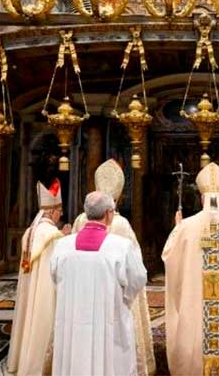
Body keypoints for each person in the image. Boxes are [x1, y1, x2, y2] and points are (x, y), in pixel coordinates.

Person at [162, 162, 219, 376]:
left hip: (194, 304)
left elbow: (169, 256)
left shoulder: (186, 227)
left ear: (202, 198)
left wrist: (176, 229)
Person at [71, 159, 155, 376]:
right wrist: (129, 296)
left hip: (83, 291)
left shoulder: (81, 220)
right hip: (114, 293)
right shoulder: (121, 224)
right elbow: (136, 269)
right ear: (115, 201)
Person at [50, 191, 147, 376]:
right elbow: (138, 278)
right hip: (110, 321)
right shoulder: (121, 247)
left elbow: (55, 277)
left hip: (73, 320)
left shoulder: (63, 245)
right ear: (109, 214)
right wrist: (125, 299)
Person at [6, 179, 67, 376]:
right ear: (51, 211)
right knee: (42, 320)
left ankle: (23, 360)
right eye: (59, 210)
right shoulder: (52, 235)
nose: (61, 214)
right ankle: (38, 366)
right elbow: (58, 266)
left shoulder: (30, 231)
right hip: (44, 291)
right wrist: (66, 237)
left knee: (28, 320)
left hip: (30, 289)